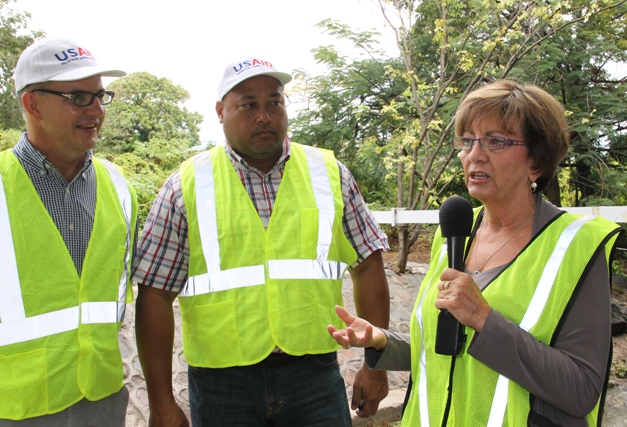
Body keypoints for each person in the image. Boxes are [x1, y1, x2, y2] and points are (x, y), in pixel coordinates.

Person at [328, 80, 622, 426]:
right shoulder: (452, 236)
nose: (474, 154)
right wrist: (381, 341)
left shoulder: (576, 246)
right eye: (467, 141)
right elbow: (448, 348)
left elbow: (581, 388)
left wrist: (484, 318)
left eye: (496, 141)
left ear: (537, 162)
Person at [133, 56, 391, 427]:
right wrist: (161, 402)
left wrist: (375, 363)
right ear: (221, 112)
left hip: (314, 375)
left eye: (274, 102)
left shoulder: (328, 173)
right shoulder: (186, 185)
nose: (265, 115)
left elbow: (368, 266)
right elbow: (155, 293)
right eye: (248, 105)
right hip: (222, 383)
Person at [0, 37, 138, 426]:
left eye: (100, 96)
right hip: (14, 407)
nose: (96, 110)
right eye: (78, 97)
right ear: (32, 104)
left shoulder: (118, 186)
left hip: (103, 398)